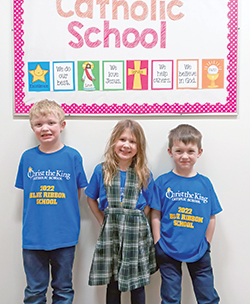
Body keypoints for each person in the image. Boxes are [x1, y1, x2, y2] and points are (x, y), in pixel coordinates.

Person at [15, 99, 88, 303]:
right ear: (32, 128)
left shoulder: (73, 157)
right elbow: (26, 193)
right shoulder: (27, 158)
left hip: (65, 236)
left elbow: (77, 192)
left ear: (62, 125)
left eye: (50, 122)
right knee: (34, 291)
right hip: (33, 236)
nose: (45, 128)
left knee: (63, 289)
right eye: (38, 124)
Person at [86, 119, 157, 304]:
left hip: (136, 236)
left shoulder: (144, 173)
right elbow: (90, 198)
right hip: (112, 233)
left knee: (137, 283)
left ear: (139, 147)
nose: (126, 145)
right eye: (122, 139)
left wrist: (138, 220)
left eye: (132, 142)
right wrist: (103, 221)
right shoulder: (102, 170)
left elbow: (150, 203)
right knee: (113, 281)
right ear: (113, 142)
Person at [151, 124, 222, 304]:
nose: (184, 156)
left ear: (199, 152)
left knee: (208, 297)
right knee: (170, 298)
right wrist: (158, 241)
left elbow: (212, 216)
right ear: (170, 151)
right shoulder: (162, 182)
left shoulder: (205, 184)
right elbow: (155, 214)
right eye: (179, 151)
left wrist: (207, 242)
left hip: (199, 250)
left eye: (190, 151)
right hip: (167, 249)